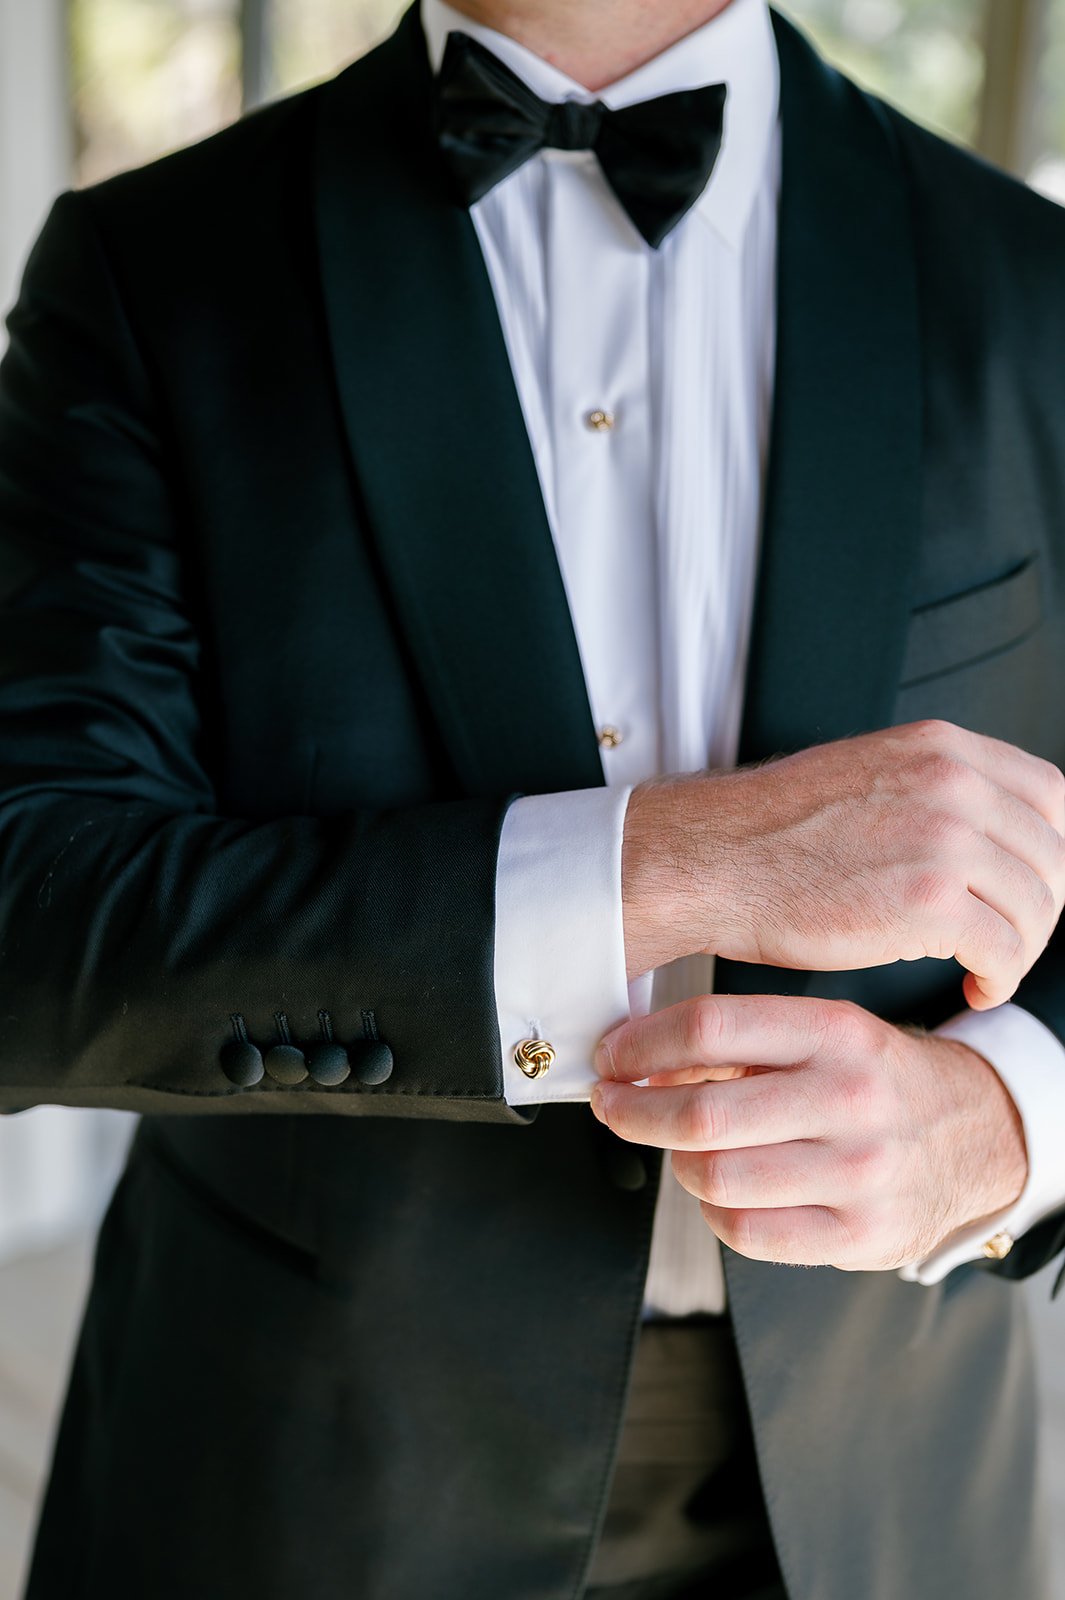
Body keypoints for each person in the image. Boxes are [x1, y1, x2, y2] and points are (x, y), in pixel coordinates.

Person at [3, 0, 1065, 1595]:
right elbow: (34, 926)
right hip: (305, 1478)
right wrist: (676, 865)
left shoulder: (1030, 282)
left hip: (905, 1489)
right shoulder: (155, 273)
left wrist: (1006, 1125)